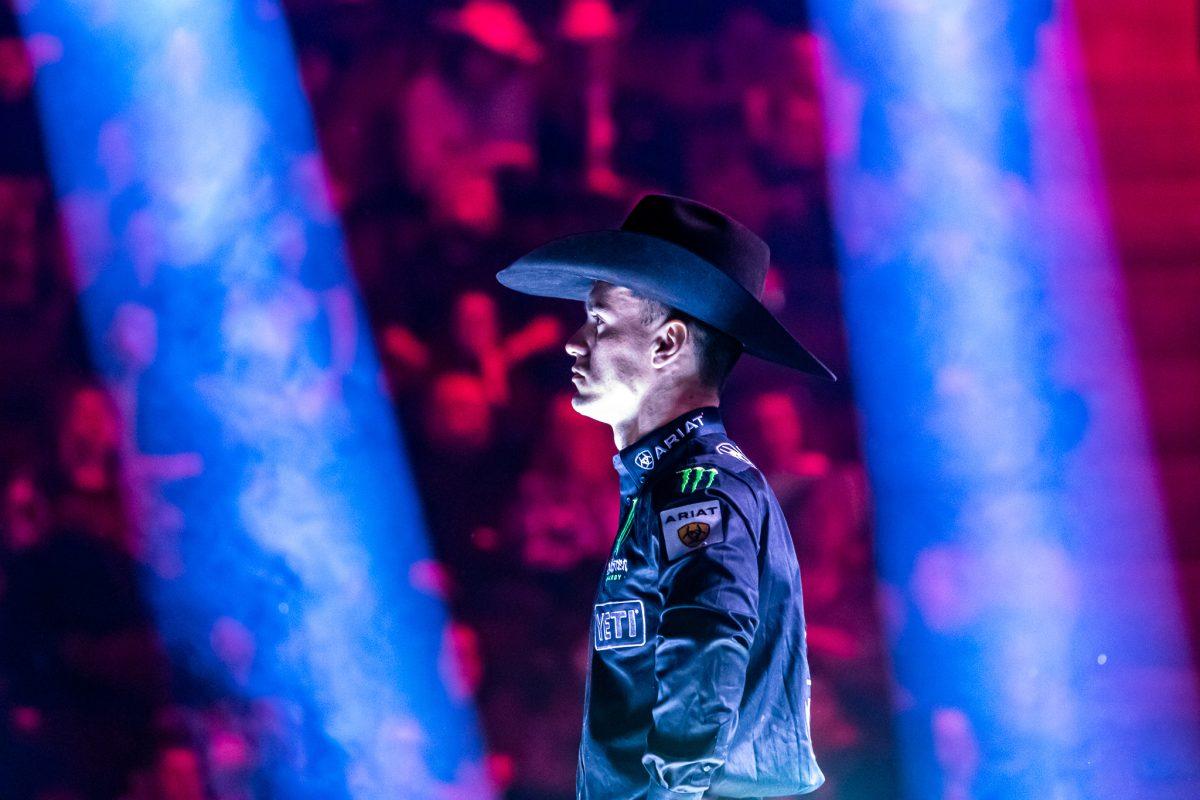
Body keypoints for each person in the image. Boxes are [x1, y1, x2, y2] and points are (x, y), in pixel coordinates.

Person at [496, 194, 833, 799]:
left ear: (667, 344)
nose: (575, 342)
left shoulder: (697, 486)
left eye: (599, 321)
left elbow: (706, 651)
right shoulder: (672, 483)